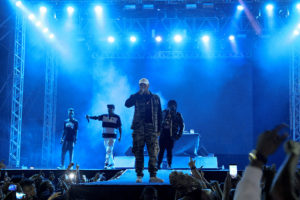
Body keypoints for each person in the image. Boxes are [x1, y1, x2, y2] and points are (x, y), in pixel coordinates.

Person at [125, 78, 163, 183]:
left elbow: (159, 114)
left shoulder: (155, 98)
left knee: (153, 152)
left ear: (148, 86)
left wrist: (159, 129)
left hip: (152, 128)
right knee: (138, 152)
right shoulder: (136, 97)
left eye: (144, 85)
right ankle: (139, 176)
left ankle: (153, 176)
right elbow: (127, 104)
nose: (142, 86)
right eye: (141, 85)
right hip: (139, 128)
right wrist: (138, 94)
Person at [86, 104, 122, 169]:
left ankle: (106, 163)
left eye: (110, 109)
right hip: (105, 136)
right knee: (108, 150)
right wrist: (89, 117)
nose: (109, 110)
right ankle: (112, 163)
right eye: (108, 108)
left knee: (109, 149)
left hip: (112, 136)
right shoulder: (104, 116)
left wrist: (120, 136)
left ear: (113, 109)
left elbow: (119, 127)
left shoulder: (117, 117)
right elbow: (96, 117)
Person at [157, 100, 184, 169]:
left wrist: (179, 135)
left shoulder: (178, 115)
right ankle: (158, 165)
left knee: (169, 151)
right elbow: (158, 121)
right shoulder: (164, 113)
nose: (172, 107)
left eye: (173, 105)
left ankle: (169, 165)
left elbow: (182, 126)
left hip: (171, 135)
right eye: (170, 105)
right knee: (161, 151)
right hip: (163, 134)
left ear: (176, 107)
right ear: (168, 106)